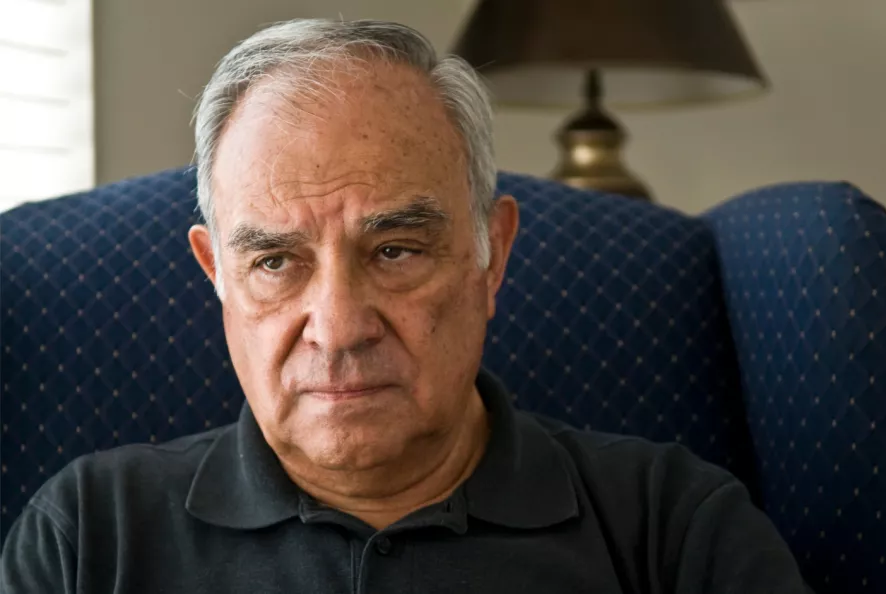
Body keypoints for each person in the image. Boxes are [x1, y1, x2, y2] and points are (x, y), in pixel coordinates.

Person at [1, 18, 813, 594]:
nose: (340, 327)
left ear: (491, 257)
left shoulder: (675, 529)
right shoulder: (88, 536)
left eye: (394, 251)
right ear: (216, 273)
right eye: (276, 261)